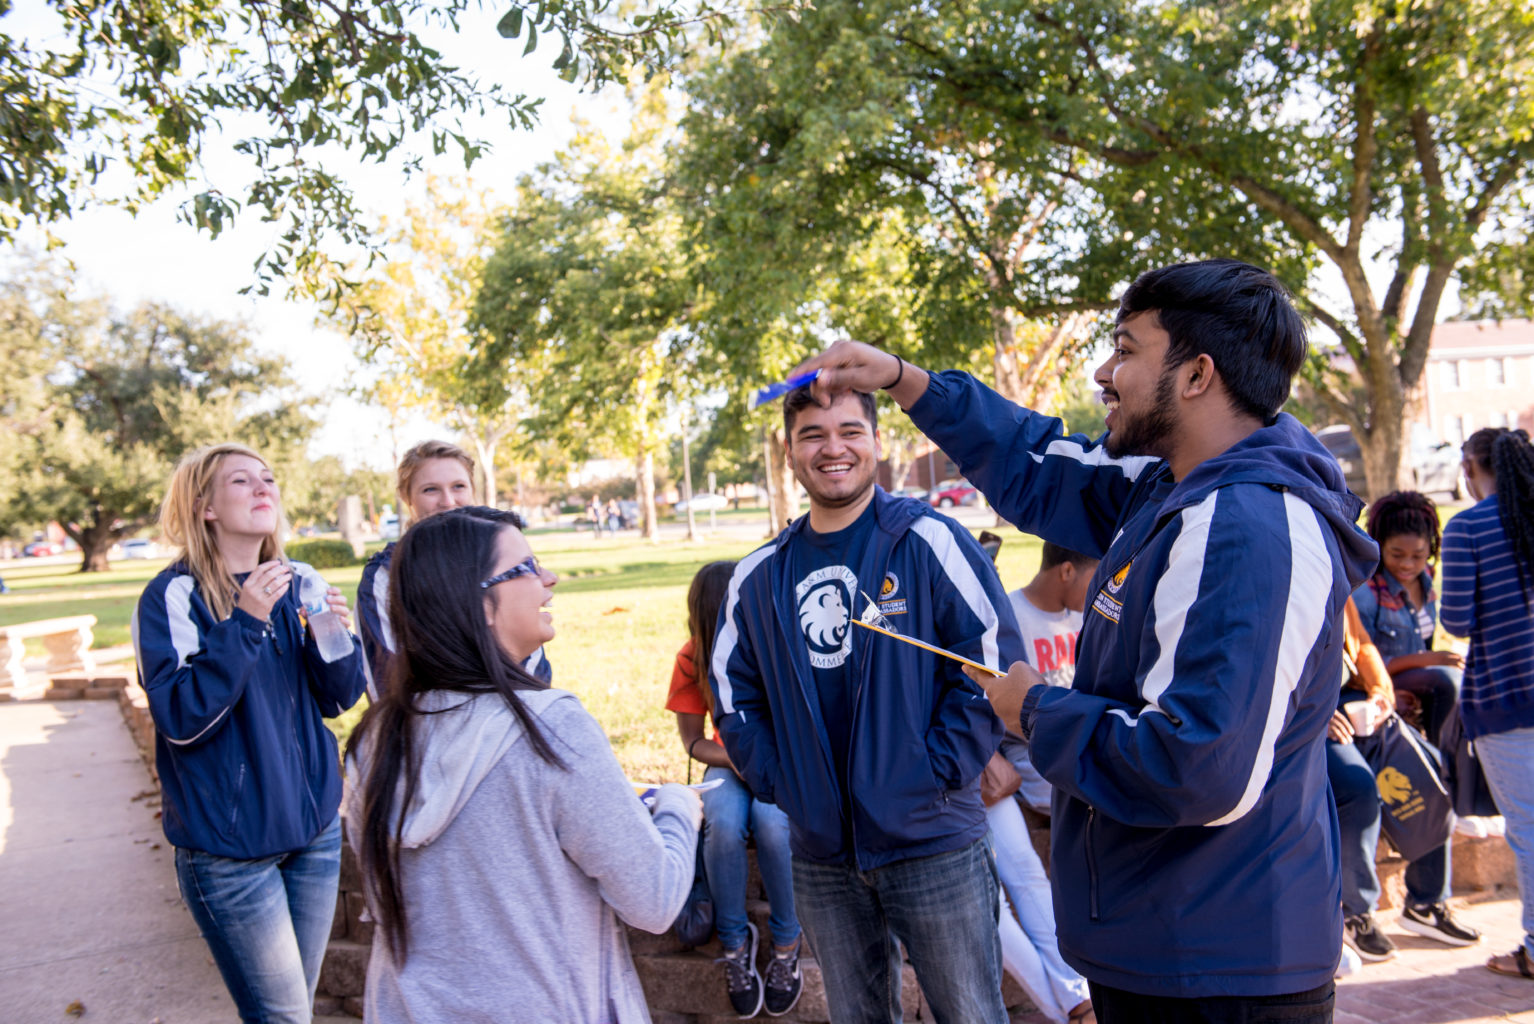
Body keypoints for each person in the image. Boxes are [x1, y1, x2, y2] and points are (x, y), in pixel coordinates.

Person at [792, 259, 1378, 1022]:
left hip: (1218, 967)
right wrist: (905, 380)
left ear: (1197, 375)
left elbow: (1196, 766)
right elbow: (1040, 465)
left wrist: (1035, 710)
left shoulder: (1246, 528)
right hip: (1161, 944)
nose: (1105, 372)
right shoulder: (1170, 487)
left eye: (1128, 350)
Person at [711, 386, 1019, 1024]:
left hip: (932, 842)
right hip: (822, 856)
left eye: (850, 431)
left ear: (877, 442)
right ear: (790, 452)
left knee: (970, 1015)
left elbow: (991, 660)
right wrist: (781, 780)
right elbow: (732, 694)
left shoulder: (928, 540)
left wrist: (932, 772)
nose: (833, 448)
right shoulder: (759, 575)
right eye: (813, 435)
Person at [348, 506, 703, 1022]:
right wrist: (677, 807)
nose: (549, 578)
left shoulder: (374, 740)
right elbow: (654, 899)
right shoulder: (550, 728)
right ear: (480, 603)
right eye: (527, 567)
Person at [131, 443, 368, 1023]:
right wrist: (246, 621)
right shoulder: (173, 597)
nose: (264, 488)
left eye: (267, 477)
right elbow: (182, 720)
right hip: (229, 853)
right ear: (204, 506)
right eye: (242, 481)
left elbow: (339, 696)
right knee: (283, 1018)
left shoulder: (301, 581)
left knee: (293, 1013)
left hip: (312, 835)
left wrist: (332, 631)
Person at [667, 560, 803, 1018]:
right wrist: (737, 760)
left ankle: (786, 943)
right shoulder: (692, 657)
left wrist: (762, 760)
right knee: (723, 824)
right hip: (727, 762)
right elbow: (693, 742)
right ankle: (733, 942)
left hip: (775, 761)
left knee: (771, 824)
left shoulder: (776, 646)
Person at [1327, 596, 1480, 964]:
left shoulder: (1336, 574)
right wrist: (1314, 713)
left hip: (1357, 701)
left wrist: (1382, 694)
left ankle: (1427, 904)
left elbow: (1361, 643)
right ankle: (1357, 913)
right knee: (1358, 789)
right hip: (1311, 713)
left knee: (1427, 771)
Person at [989, 542, 1098, 1024]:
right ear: (1069, 570)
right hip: (989, 768)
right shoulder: (1007, 618)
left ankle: (1077, 1001)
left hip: (994, 773)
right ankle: (1074, 1005)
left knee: (1028, 876)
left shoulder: (1088, 618)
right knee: (987, 906)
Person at [1440, 427, 1534, 982]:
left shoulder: (1469, 527)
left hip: (1507, 698)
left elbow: (1456, 621)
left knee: (1528, 831)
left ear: (1472, 469)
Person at [357, 440, 549, 696]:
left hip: (517, 711)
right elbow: (387, 681)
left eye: (458, 486)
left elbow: (531, 661)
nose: (448, 501)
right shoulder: (385, 576)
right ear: (407, 497)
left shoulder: (501, 558)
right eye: (430, 490)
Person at [1351, 491, 1463, 745]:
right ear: (1379, 545)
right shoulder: (1367, 594)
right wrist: (1428, 660)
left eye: (1418, 555)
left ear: (1431, 547)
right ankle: (1440, 761)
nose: (1407, 565)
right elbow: (1361, 661)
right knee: (1445, 681)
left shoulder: (1426, 582)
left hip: (1420, 677)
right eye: (1396, 554)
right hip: (1376, 683)